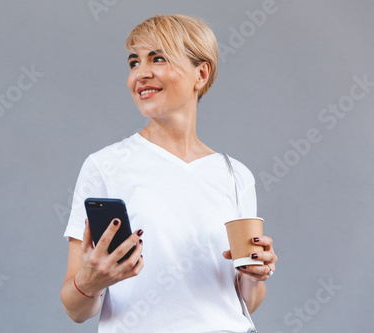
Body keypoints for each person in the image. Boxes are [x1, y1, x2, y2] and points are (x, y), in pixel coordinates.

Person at [60, 14, 277, 332]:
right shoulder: (105, 166)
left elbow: (247, 301)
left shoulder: (235, 175)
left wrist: (254, 275)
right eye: (134, 62)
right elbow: (76, 309)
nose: (141, 74)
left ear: (201, 73)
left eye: (158, 58)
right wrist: (90, 282)